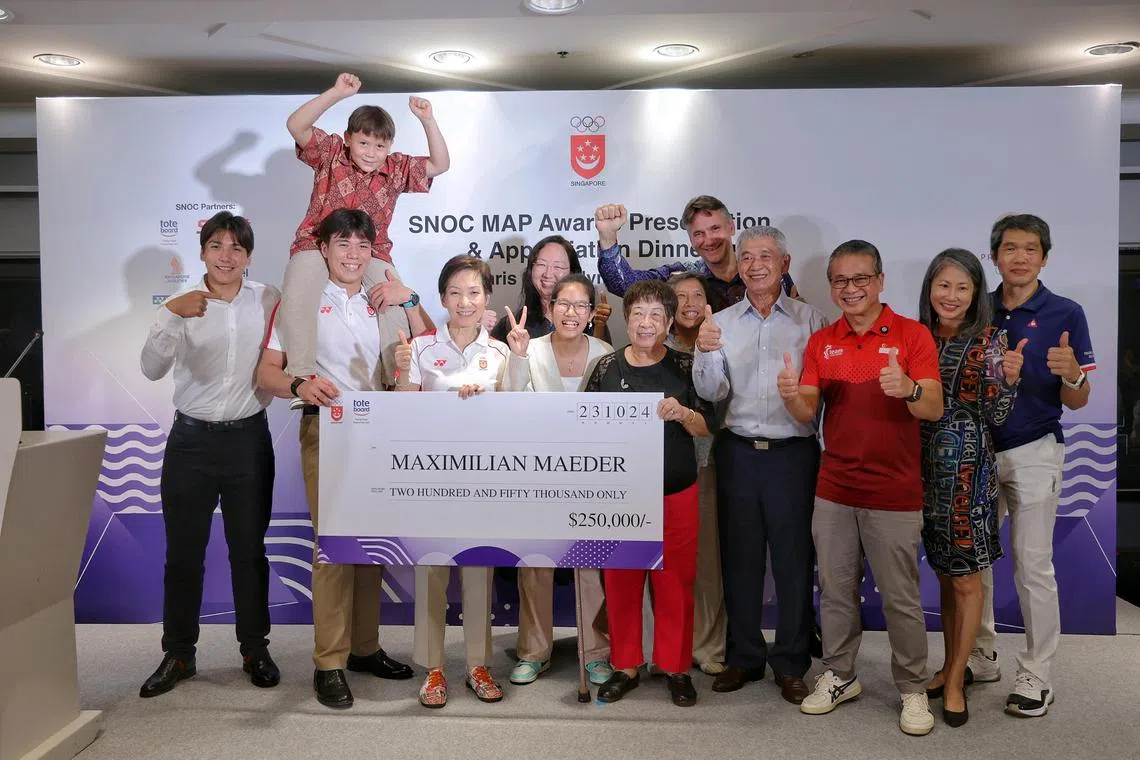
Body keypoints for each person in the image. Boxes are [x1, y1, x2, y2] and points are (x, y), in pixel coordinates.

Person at [784, 239, 943, 736]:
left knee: (900, 598)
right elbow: (808, 410)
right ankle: (840, 673)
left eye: (860, 279)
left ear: (879, 281)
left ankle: (913, 688)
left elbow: (933, 406)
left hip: (895, 493)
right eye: (840, 281)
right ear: (831, 286)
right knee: (834, 591)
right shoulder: (823, 341)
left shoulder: (913, 336)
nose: (850, 289)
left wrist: (910, 389)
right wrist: (792, 396)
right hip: (834, 488)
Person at [257, 209, 414, 710]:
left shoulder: (382, 298)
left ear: (373, 252)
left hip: (383, 430)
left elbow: (428, 344)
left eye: (362, 246)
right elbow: (267, 374)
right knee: (332, 548)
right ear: (322, 248)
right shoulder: (301, 301)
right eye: (342, 243)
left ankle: (365, 648)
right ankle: (329, 661)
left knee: (372, 546)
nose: (352, 254)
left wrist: (407, 296)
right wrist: (301, 383)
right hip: (327, 427)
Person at [138, 212, 280, 698]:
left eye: (237, 248)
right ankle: (178, 652)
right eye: (216, 246)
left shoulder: (268, 299)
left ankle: (254, 648)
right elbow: (151, 369)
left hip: (248, 440)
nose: (226, 256)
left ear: (248, 256)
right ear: (202, 252)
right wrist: (170, 315)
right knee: (183, 554)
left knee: (249, 551)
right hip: (191, 441)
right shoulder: (182, 305)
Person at [693, 226, 827, 704]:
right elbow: (711, 393)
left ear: (785, 263)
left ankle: (791, 662)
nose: (755, 265)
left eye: (766, 256)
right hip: (739, 453)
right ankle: (744, 657)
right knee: (741, 560)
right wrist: (706, 351)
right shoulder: (721, 323)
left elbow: (825, 395)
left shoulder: (812, 321)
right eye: (746, 256)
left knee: (794, 563)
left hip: (794, 455)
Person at [975, 214, 1095, 718]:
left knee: (1032, 565)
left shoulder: (1066, 312)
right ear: (994, 255)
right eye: (1009, 248)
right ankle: (980, 656)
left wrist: (1070, 377)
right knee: (975, 563)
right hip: (977, 450)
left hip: (1035, 449)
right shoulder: (977, 309)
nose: (1019, 257)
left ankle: (1036, 673)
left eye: (1029, 249)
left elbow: (1082, 400)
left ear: (1044, 257)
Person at [584, 280, 716, 708]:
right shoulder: (606, 368)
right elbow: (584, 426)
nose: (646, 323)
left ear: (670, 322)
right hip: (620, 498)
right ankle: (625, 666)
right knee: (621, 583)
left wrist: (682, 414)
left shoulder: (685, 364)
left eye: (656, 316)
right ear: (627, 319)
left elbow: (708, 425)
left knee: (675, 582)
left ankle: (676, 666)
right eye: (638, 314)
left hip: (675, 491)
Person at [394, 254, 514, 708]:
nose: (465, 301)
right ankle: (434, 669)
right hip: (430, 479)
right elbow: (402, 410)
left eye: (475, 292)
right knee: (431, 573)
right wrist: (402, 368)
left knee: (479, 573)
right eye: (456, 292)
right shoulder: (420, 347)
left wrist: (484, 401)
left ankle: (478, 665)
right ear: (443, 297)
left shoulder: (500, 351)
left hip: (484, 480)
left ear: (487, 297)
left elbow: (512, 415)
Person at [278, 72, 448, 390]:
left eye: (379, 146)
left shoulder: (397, 168)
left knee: (394, 300)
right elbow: (296, 126)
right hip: (317, 242)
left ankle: (391, 379)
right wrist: (337, 93)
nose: (370, 152)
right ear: (348, 138)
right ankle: (301, 373)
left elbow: (440, 165)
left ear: (390, 146)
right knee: (298, 292)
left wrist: (428, 120)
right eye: (363, 143)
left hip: (373, 250)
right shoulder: (331, 154)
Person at [916, 248, 1022, 727]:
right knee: (943, 572)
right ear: (930, 290)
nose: (952, 296)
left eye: (962, 287)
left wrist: (1009, 382)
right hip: (918, 470)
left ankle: (958, 679)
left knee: (966, 576)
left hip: (969, 473)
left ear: (976, 291)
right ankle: (947, 664)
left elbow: (998, 418)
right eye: (944, 286)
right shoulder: (915, 337)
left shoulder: (992, 340)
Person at [502, 273, 614, 686]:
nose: (571, 312)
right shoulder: (526, 349)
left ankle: (596, 652)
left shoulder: (606, 353)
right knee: (536, 565)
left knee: (591, 566)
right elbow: (509, 405)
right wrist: (515, 358)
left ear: (591, 313)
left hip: (592, 478)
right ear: (548, 309)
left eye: (580, 305)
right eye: (562, 304)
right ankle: (533, 651)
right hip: (537, 477)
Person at [664, 272, 728, 676]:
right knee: (664, 567)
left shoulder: (721, 344)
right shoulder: (651, 346)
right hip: (660, 473)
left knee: (706, 565)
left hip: (706, 465)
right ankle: (665, 648)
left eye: (697, 295)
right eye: (680, 296)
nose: (689, 303)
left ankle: (707, 647)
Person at [593, 198, 799, 309]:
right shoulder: (681, 276)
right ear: (691, 241)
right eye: (699, 233)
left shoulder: (764, 271)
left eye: (715, 229)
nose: (708, 240)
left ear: (732, 227)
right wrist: (608, 236)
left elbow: (793, 313)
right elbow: (624, 285)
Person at [491, 234, 612, 344]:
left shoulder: (590, 321)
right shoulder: (512, 324)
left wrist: (600, 325)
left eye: (558, 266)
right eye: (541, 264)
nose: (548, 274)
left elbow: (603, 361)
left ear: (573, 272)